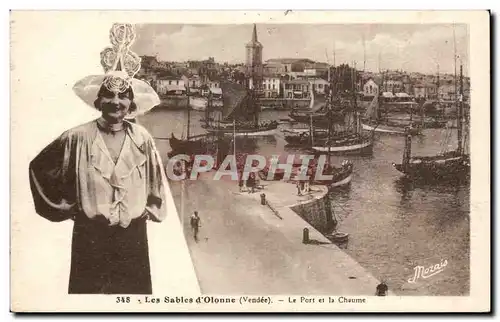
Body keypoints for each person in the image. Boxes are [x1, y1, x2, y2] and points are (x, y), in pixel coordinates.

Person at [28, 24, 166, 295]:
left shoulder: (143, 138)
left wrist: (149, 208)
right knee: (88, 303)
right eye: (109, 95)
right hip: (90, 237)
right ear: (98, 100)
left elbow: (155, 182)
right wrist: (66, 206)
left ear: (131, 103)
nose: (116, 102)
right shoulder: (76, 137)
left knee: (132, 304)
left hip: (133, 238)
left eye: (123, 97)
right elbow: (39, 168)